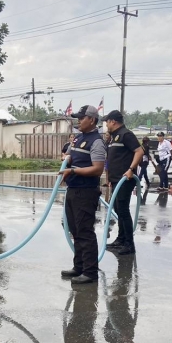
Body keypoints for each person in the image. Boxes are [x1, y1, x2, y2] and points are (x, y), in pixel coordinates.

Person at [61, 105, 107, 285]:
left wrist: (73, 171)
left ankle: (90, 272)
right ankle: (79, 267)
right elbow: (70, 157)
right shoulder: (79, 138)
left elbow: (98, 169)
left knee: (85, 231)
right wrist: (67, 161)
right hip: (73, 190)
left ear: (92, 120)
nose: (78, 121)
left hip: (86, 192)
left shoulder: (96, 142)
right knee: (75, 230)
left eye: (82, 118)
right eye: (78, 118)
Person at [102, 110, 143, 256]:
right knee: (118, 209)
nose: (106, 124)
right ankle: (120, 239)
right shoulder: (114, 137)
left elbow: (139, 151)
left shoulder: (126, 134)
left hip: (125, 179)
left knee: (123, 210)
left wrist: (131, 169)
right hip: (116, 179)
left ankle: (129, 244)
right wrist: (109, 178)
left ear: (113, 121)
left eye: (107, 121)